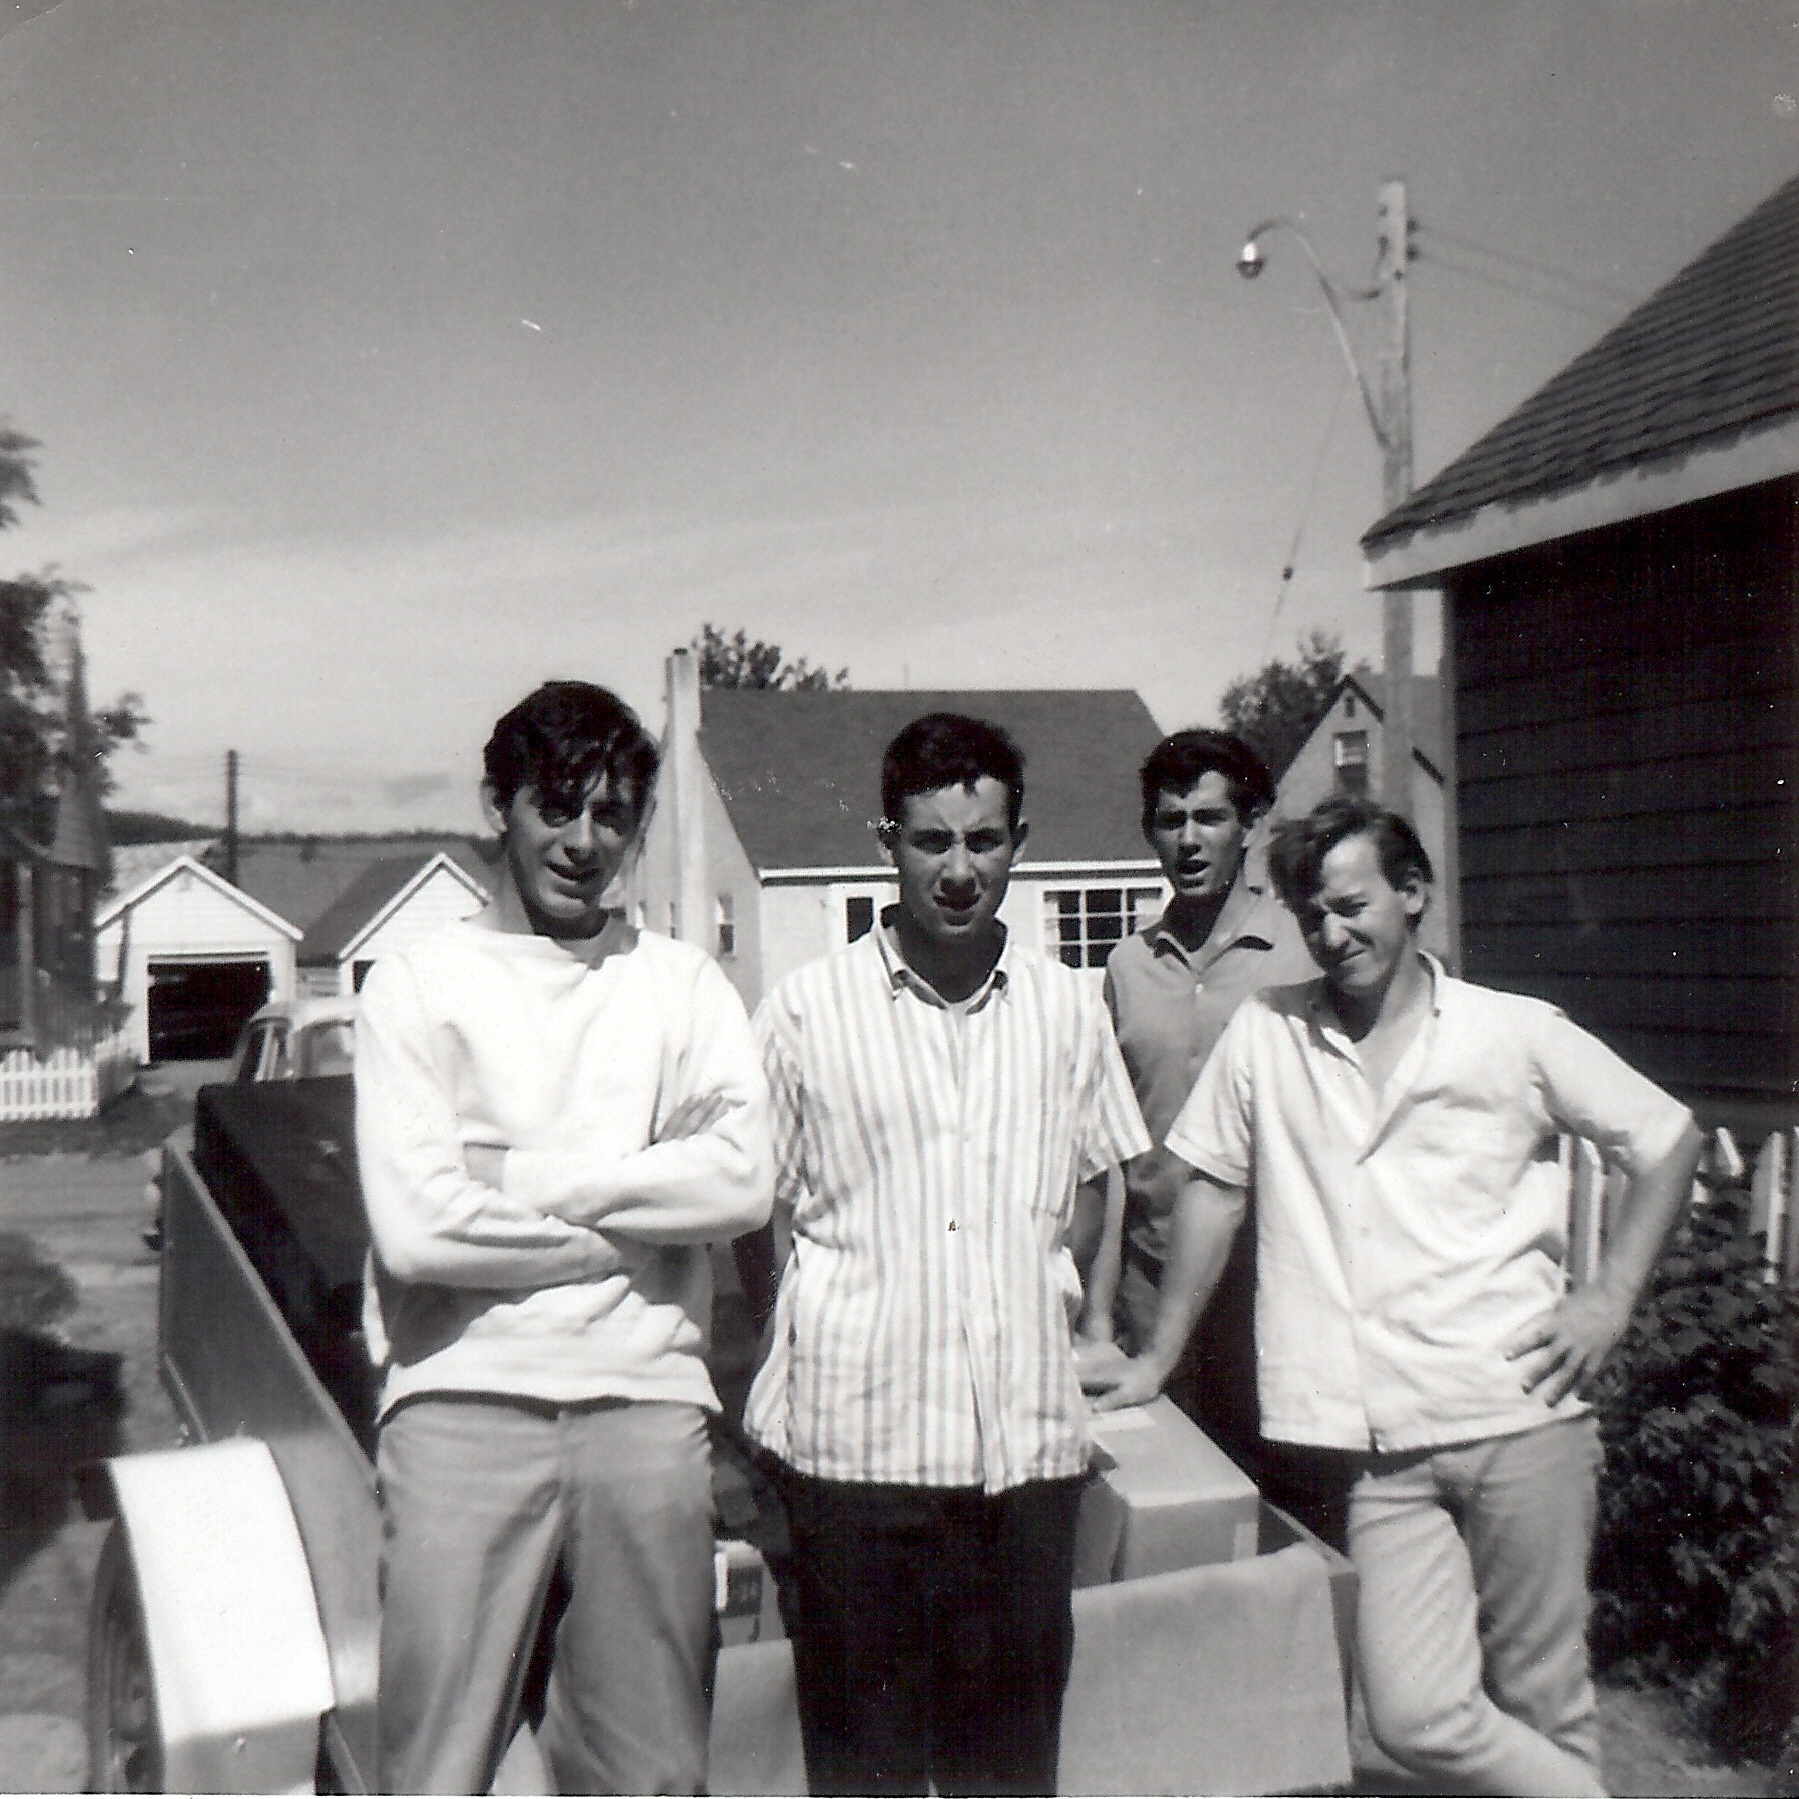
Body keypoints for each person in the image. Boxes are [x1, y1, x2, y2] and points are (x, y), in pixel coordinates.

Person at [1162, 794, 1701, 1795]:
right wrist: (1156, 1353)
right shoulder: (1266, 1032)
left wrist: (1609, 1297)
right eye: (1310, 914)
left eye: (1350, 905)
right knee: (1412, 1713)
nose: (1330, 933)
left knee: (1542, 1700)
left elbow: (1665, 1137)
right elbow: (1210, 1186)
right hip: (1379, 1442)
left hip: (1519, 1411)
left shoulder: (1509, 1031)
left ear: (1411, 892)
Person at [354, 680, 773, 1795]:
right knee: (438, 1769)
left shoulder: (681, 984)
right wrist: (632, 1223)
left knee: (651, 1772)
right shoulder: (415, 981)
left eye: (612, 815)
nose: (585, 842)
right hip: (460, 1400)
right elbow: (418, 1229)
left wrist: (518, 1178)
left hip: (646, 1406)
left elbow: (740, 1180)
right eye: (556, 806)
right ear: (498, 804)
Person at [742, 712, 1149, 1797]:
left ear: (1020, 842)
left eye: (983, 840)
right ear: (888, 841)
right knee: (865, 1776)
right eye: (930, 841)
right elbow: (752, 1211)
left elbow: (1099, 1178)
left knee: (1006, 1775)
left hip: (1021, 1461)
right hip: (854, 1457)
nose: (959, 871)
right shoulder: (804, 1012)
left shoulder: (1068, 1009)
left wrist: (1072, 1312)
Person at [1073, 730, 1338, 1530]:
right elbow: (1113, 1151)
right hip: (1152, 1289)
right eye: (1170, 820)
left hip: (1274, 1285)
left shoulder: (1302, 950)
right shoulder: (1126, 966)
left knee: (1293, 1515)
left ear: (1249, 824)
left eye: (1209, 817)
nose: (1188, 840)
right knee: (1179, 1512)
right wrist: (1099, 1311)